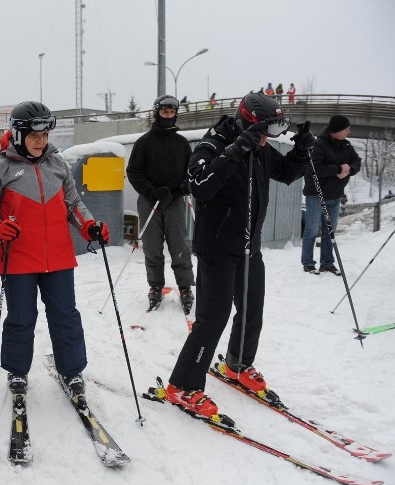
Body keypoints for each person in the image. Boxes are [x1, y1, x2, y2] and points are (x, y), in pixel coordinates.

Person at [164, 91, 313, 415]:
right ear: (249, 124)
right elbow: (198, 184)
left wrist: (301, 151)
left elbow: (286, 173)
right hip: (217, 248)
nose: (270, 138)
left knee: (251, 310)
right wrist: (232, 154)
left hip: (249, 246)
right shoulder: (212, 145)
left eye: (277, 130)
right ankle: (183, 385)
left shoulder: (259, 147)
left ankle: (238, 364)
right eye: (268, 130)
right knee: (212, 318)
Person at [0, 100, 110, 398]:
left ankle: (72, 370)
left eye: (45, 135)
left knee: (65, 315)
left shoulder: (58, 164)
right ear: (20, 135)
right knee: (21, 318)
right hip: (19, 258)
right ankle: (17, 371)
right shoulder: (0, 168)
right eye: (34, 136)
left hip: (59, 258)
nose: (40, 141)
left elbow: (73, 204)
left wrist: (88, 226)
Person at [126, 95, 195, 312]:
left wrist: (184, 187)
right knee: (153, 246)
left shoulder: (182, 143)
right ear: (157, 113)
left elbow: (191, 171)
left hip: (174, 200)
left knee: (179, 245)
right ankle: (155, 285)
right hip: (151, 201)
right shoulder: (144, 142)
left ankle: (185, 287)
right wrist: (151, 190)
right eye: (164, 112)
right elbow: (133, 172)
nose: (168, 116)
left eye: (171, 112)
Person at [301, 115, 361, 275]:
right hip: (316, 194)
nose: (349, 131)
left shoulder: (346, 146)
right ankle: (308, 263)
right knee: (312, 230)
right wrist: (338, 169)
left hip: (335, 196)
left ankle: (327, 263)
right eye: (346, 128)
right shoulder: (318, 145)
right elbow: (315, 168)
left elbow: (357, 162)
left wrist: (350, 169)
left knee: (330, 231)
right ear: (337, 130)